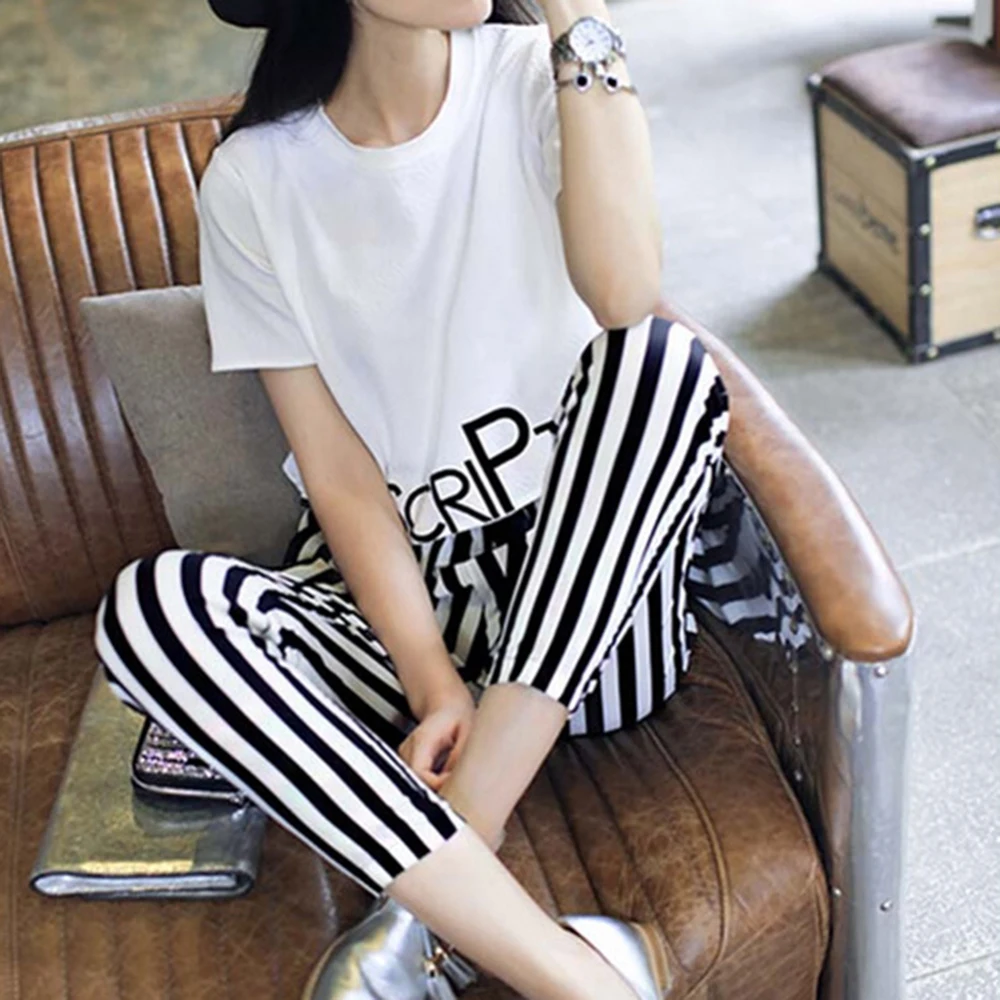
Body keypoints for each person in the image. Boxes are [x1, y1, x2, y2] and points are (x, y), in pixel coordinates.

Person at [93, 0, 730, 997]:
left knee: (660, 366)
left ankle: (431, 894)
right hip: (408, 618)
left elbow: (622, 295)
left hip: (594, 612)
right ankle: (570, 972)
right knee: (152, 612)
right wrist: (431, 680)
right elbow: (340, 475)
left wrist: (580, 26)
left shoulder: (542, 73)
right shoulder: (254, 179)